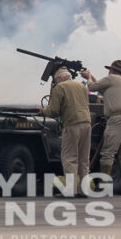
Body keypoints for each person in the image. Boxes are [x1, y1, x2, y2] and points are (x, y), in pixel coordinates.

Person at [83, 59, 121, 194]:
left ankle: (103, 185)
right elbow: (102, 89)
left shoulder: (111, 79)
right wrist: (92, 77)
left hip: (117, 119)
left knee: (107, 153)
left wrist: (88, 77)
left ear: (112, 70)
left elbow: (92, 87)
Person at [39, 67, 92, 196]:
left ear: (59, 78)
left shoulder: (60, 88)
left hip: (72, 124)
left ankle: (70, 190)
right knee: (84, 159)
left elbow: (53, 110)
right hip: (87, 123)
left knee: (69, 158)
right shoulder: (80, 86)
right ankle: (84, 190)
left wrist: (43, 111)